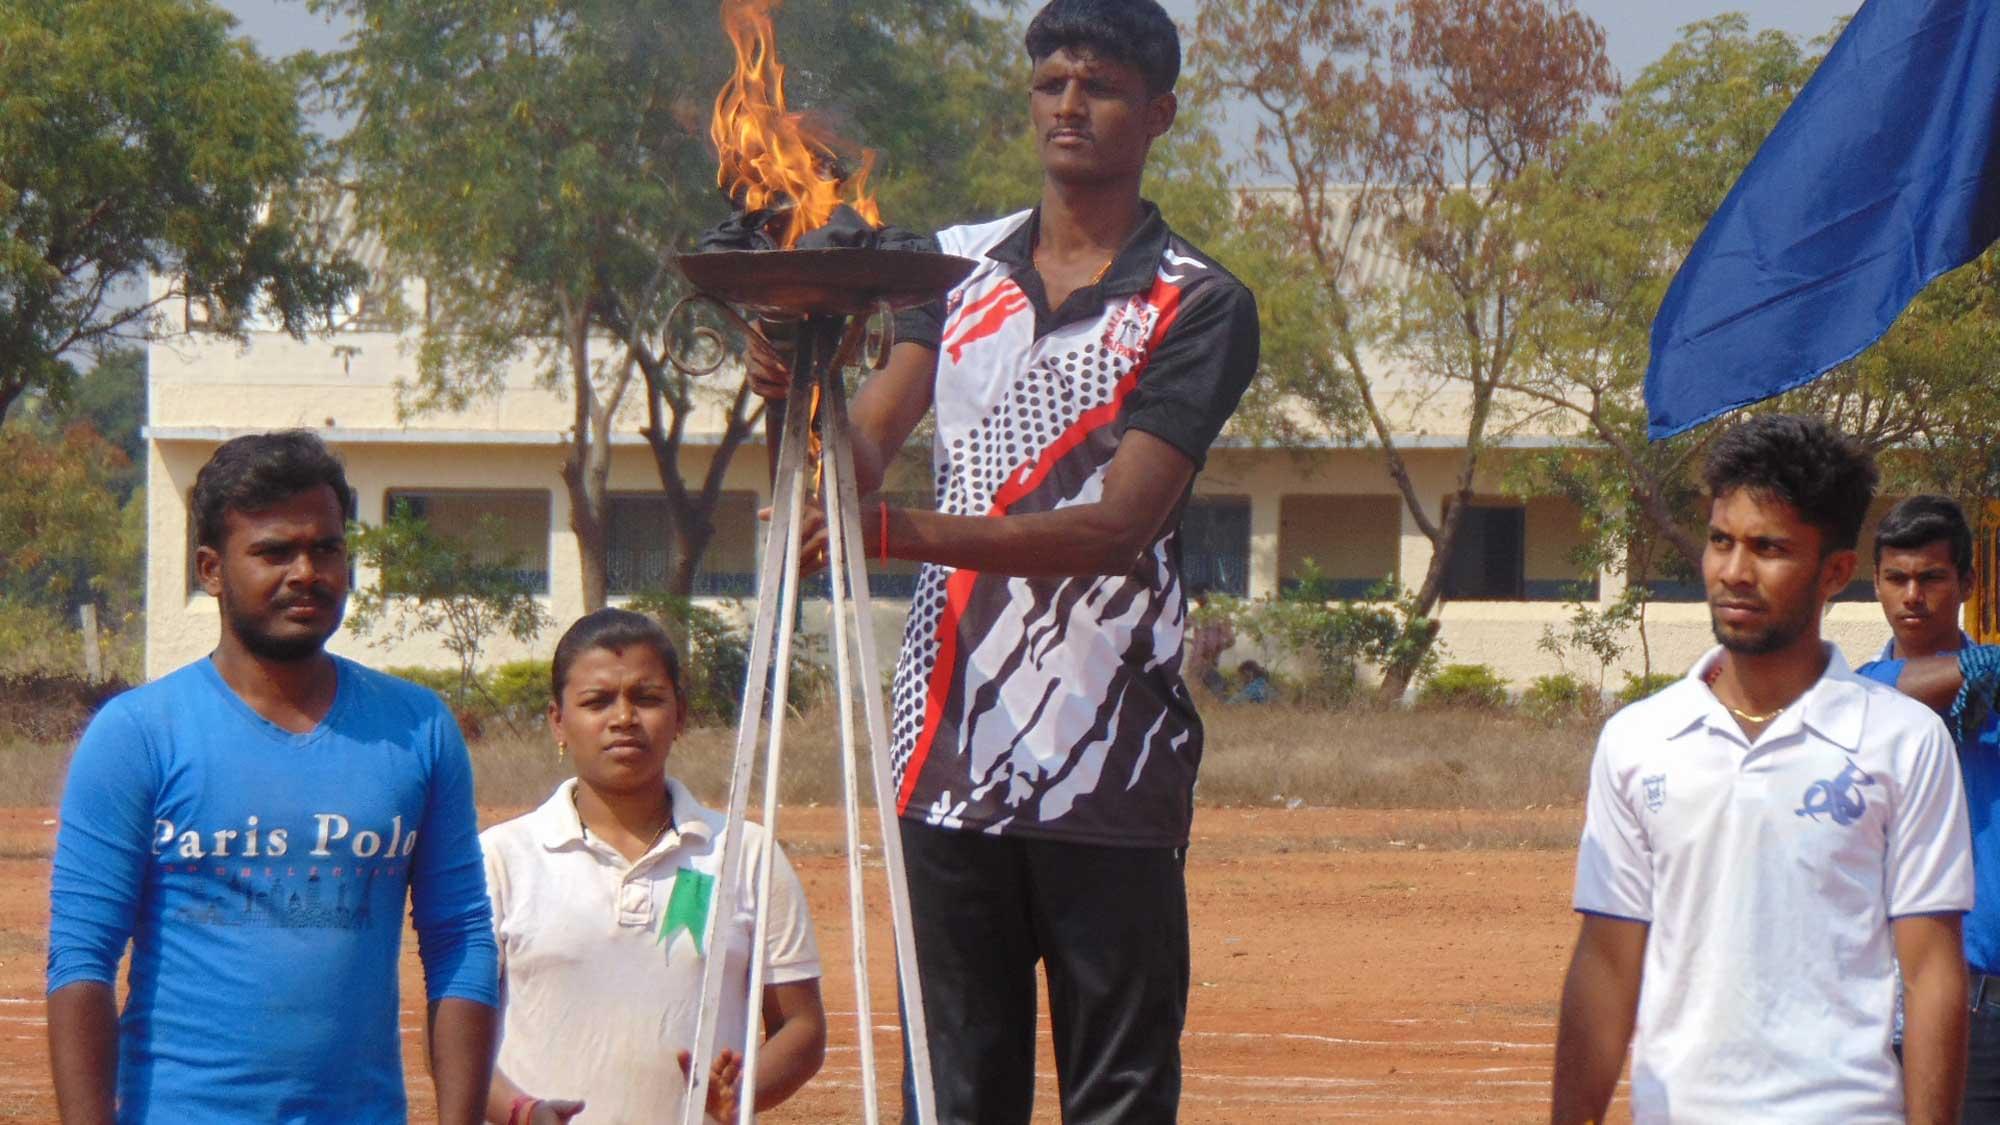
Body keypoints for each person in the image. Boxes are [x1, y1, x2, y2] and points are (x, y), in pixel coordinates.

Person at [748, 1, 1258, 1117]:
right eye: (1050, 83)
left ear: (1158, 111)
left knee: (1114, 1097)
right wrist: (801, 377)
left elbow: (1114, 528)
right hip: (944, 757)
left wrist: (890, 538)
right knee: (955, 1094)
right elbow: (867, 448)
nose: (1069, 105)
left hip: (1109, 763)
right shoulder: (950, 267)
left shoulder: (1199, 302)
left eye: (1103, 85)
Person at [46, 430, 498, 1123]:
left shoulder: (417, 729)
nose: (306, 572)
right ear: (211, 568)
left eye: (326, 547)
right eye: (273, 551)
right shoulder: (137, 734)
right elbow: (82, 960)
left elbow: (460, 936)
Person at [1549, 415, 1974, 1124]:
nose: (1735, 571)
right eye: (1722, 540)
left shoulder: (1905, 740)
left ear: (1835, 571)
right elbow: (1607, 960)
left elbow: (1932, 971)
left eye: (1769, 547)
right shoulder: (1638, 740)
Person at [478, 608, 826, 1125]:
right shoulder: (502, 858)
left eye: (647, 698)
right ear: (558, 720)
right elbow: (455, 1037)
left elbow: (801, 1026)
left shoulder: (743, 854)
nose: (623, 718)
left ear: (680, 715)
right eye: (596, 701)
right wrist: (524, 1113)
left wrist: (741, 1091)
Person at [1858, 495, 2000, 1117]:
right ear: (1877, 585)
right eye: (1897, 579)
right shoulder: (1851, 694)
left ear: (1967, 582)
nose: (1912, 595)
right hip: (1894, 1002)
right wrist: (1981, 669)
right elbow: (1880, 699)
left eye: (1932, 578)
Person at [1186, 584, 1236, 695]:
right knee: (1193, 693)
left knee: (1211, 693)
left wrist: (1219, 648)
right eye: (1196, 597)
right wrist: (1190, 641)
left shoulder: (1220, 615)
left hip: (1210, 661)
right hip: (1195, 660)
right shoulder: (1194, 614)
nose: (1198, 599)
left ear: (1208, 594)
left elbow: (1231, 640)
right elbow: (1179, 629)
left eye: (1201, 595)